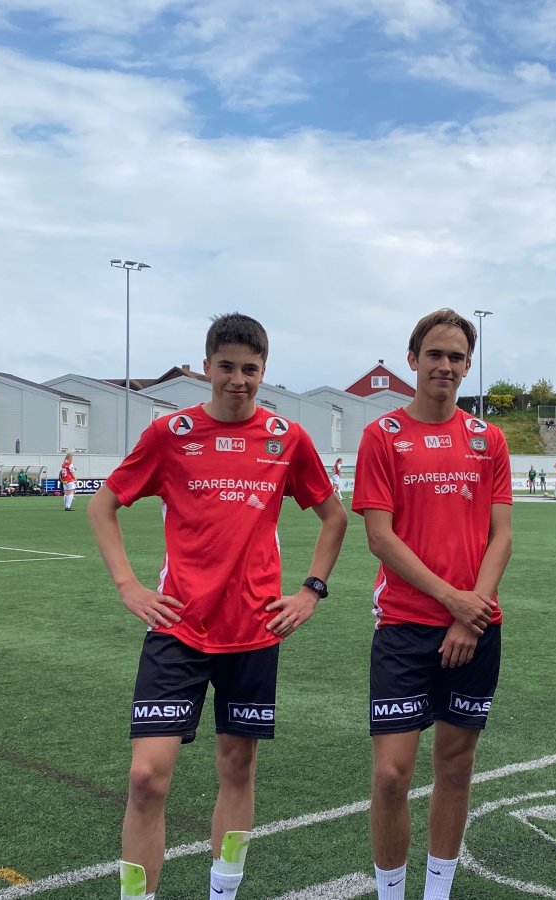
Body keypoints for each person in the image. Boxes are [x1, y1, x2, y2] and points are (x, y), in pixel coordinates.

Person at [88, 313, 349, 900]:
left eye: (250, 369)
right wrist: (129, 585)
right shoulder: (171, 433)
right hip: (177, 628)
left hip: (253, 631)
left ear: (264, 371)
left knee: (237, 768)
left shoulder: (286, 438)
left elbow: (334, 517)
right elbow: (103, 505)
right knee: (146, 777)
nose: (238, 380)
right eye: (227, 367)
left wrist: (311, 590)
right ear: (206, 367)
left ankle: (223, 892)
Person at [352, 308, 513, 900]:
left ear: (468, 366)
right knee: (391, 776)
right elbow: (379, 537)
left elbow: (501, 536)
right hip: (405, 626)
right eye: (435, 354)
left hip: (476, 628)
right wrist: (453, 602)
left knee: (456, 768)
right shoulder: (383, 435)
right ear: (413, 359)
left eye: (456, 357)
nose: (445, 365)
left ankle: (437, 892)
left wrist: (472, 614)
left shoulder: (487, 438)